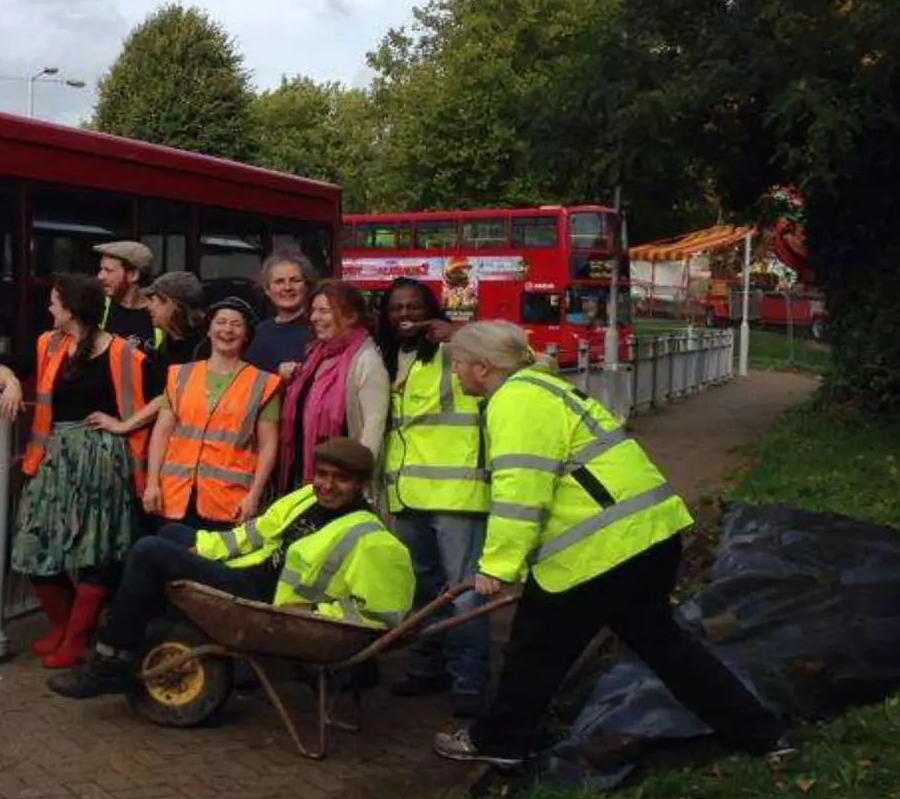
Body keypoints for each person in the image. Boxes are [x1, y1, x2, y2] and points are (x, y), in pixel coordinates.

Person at [430, 321, 793, 771]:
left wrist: (498, 567)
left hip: (599, 550)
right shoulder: (546, 388)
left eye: (459, 365)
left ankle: (503, 740)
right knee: (666, 647)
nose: (456, 374)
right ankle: (762, 732)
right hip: (647, 537)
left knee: (535, 649)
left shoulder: (516, 401)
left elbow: (521, 490)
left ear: (482, 367)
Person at [45, 436, 415, 699]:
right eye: (322, 474)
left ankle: (111, 661)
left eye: (341, 478)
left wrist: (313, 613)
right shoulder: (307, 497)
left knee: (148, 552)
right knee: (173, 532)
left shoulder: (371, 538)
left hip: (264, 605)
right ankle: (143, 633)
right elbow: (256, 534)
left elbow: (380, 614)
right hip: (246, 574)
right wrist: (202, 546)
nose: (327, 485)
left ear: (362, 484)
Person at [0, 273, 150, 669]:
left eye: (53, 301)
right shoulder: (48, 344)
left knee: (96, 550)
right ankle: (64, 626)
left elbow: (168, 395)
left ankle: (76, 637)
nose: (48, 308)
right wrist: (9, 382)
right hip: (54, 458)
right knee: (31, 544)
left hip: (102, 461)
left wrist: (123, 426)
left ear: (71, 308)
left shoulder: (122, 353)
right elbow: (3, 368)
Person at [378, 278, 491, 718]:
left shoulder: (454, 352)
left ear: (432, 309)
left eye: (413, 307)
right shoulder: (386, 357)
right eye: (396, 309)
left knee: (463, 594)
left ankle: (468, 680)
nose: (405, 315)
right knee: (421, 589)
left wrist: (462, 335)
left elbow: (522, 360)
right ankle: (427, 668)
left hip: (455, 493)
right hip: (406, 494)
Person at [143, 296, 281, 530]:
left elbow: (269, 445)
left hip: (229, 502)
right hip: (174, 498)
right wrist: (151, 483)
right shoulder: (180, 375)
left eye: (236, 324)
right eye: (221, 322)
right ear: (208, 330)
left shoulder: (264, 383)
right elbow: (162, 432)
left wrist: (254, 494)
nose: (227, 329)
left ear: (246, 334)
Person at [276, 279, 389, 490]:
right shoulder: (315, 356)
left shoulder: (366, 360)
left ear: (351, 316)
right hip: (305, 476)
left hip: (340, 484)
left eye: (324, 311)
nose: (314, 317)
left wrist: (358, 480)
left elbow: (373, 427)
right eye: (313, 310)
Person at [137, 270, 207, 400]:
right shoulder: (166, 344)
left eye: (153, 300)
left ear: (171, 303)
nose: (148, 307)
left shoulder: (204, 350)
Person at [243, 249, 313, 375]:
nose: (287, 287)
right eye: (279, 281)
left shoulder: (319, 327)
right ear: (267, 290)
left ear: (307, 286)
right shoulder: (260, 332)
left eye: (295, 280)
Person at [95, 240, 157, 344]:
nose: (100, 276)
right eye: (101, 269)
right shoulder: (98, 307)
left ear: (133, 275)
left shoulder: (159, 314)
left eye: (108, 270)